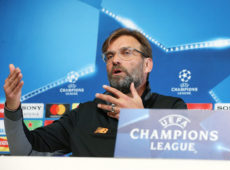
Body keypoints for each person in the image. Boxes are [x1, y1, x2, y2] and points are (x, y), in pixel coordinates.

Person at [4, 28, 186, 157]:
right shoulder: (84, 114)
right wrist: (12, 107)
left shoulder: (172, 109)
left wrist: (138, 120)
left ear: (147, 65)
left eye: (126, 52)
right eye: (109, 56)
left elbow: (183, 159)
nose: (115, 60)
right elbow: (25, 151)